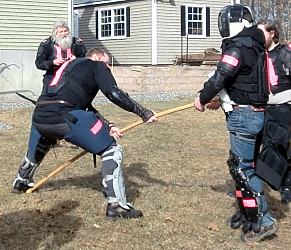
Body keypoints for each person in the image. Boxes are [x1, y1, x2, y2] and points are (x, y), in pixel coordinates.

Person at [12, 47, 157, 219]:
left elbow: (84, 105)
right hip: (65, 115)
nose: (108, 67)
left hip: (40, 115)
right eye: (107, 62)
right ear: (96, 57)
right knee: (112, 150)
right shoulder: (96, 65)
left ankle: (21, 181)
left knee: (42, 143)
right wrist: (143, 112)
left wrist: (108, 126)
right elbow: (113, 92)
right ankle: (117, 205)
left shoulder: (68, 67)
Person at [194, 4, 278, 242]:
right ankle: (247, 212)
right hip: (254, 113)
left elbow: (222, 74)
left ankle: (263, 220)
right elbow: (243, 81)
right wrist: (222, 101)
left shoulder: (238, 45)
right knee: (239, 165)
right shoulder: (255, 45)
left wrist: (201, 97)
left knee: (243, 169)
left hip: (244, 116)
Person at [255, 21, 291, 203]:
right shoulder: (259, 54)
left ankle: (286, 185)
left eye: (262, 33)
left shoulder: (285, 53)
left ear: (272, 33)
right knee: (259, 146)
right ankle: (256, 184)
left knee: (280, 145)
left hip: (284, 108)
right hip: (263, 107)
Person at [35, 20, 87, 94]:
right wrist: (52, 62)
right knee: (47, 102)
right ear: (55, 33)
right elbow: (39, 63)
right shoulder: (47, 44)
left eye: (65, 31)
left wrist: (77, 60)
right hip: (52, 77)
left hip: (72, 78)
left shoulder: (76, 43)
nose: (64, 34)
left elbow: (86, 59)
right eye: (61, 32)